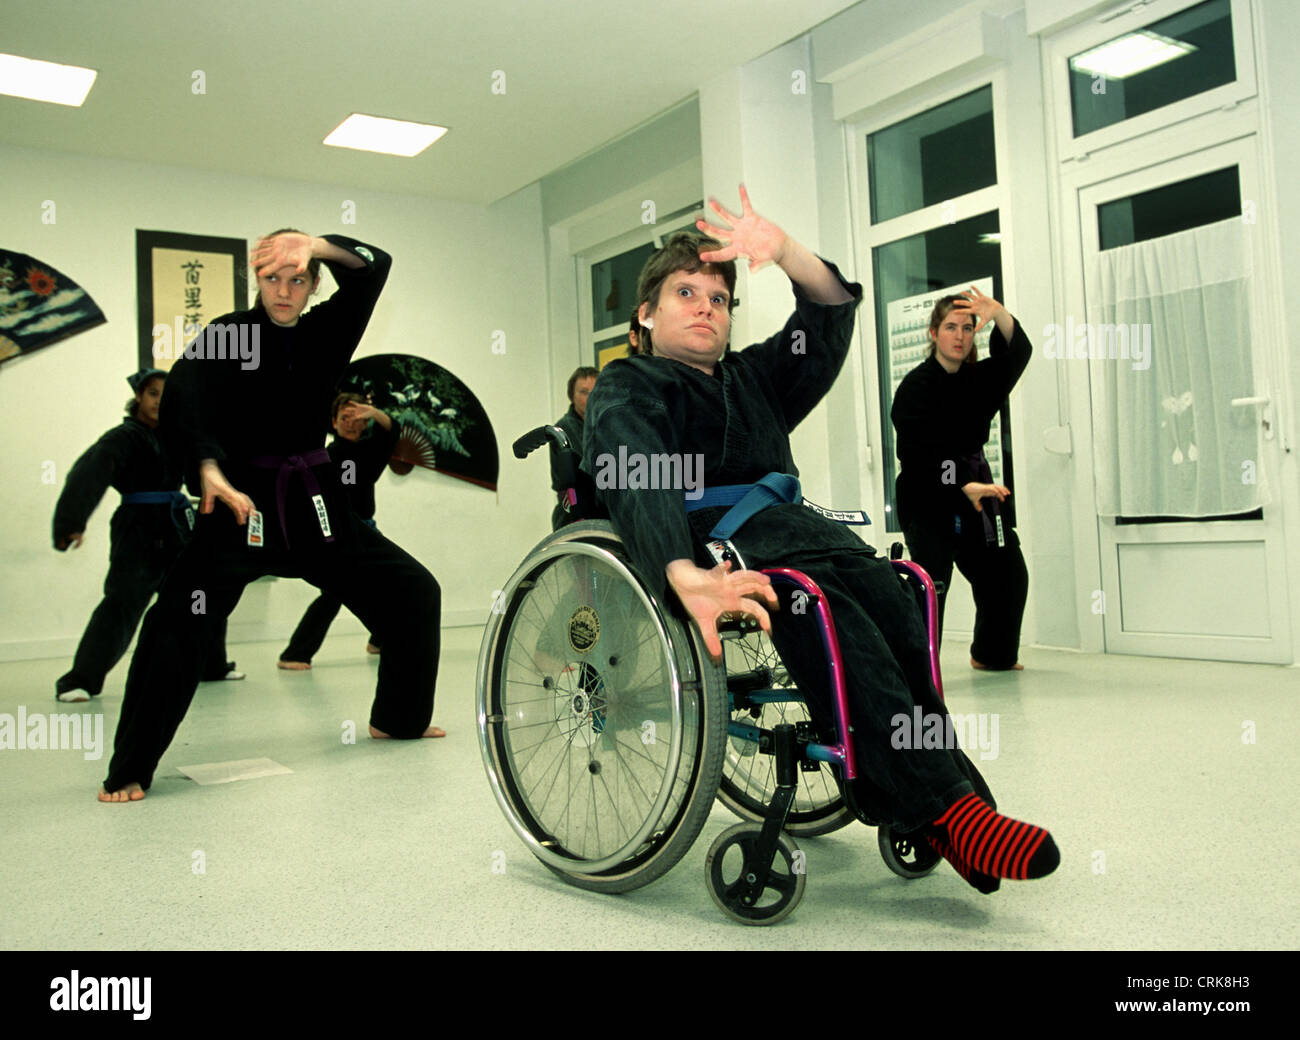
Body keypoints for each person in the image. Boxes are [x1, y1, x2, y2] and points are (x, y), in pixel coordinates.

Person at [582, 186, 1057, 891]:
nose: (705, 306)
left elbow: (829, 311)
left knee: (901, 599)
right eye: (685, 293)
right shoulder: (634, 383)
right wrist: (681, 571)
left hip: (799, 528)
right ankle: (952, 813)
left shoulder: (755, 378)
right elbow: (637, 472)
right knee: (827, 612)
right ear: (646, 314)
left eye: (719, 297)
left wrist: (785, 252)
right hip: (719, 541)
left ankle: (947, 804)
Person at [99, 230, 443, 804]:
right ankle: (130, 768)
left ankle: (398, 719)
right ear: (255, 281)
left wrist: (317, 244)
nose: (285, 291)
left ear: (313, 285)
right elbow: (186, 396)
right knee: (176, 623)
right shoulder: (229, 336)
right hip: (242, 506)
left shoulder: (327, 331)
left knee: (412, 590)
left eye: (298, 279)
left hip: (318, 509)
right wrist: (207, 468)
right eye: (272, 278)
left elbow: (374, 266)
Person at [52, 368, 242, 704]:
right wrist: (71, 522)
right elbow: (89, 473)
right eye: (153, 393)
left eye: (165, 395)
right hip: (137, 528)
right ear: (139, 397)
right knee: (122, 603)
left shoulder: (178, 436)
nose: (158, 401)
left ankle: (211, 665)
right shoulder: (123, 438)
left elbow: (211, 470)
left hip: (178, 524)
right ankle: (80, 680)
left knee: (201, 595)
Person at [890, 290, 1031, 671]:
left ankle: (992, 655)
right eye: (951, 327)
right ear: (934, 333)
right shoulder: (915, 388)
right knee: (932, 583)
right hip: (927, 494)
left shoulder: (977, 380)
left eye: (968, 328)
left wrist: (998, 311)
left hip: (976, 488)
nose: (960, 335)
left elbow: (1017, 355)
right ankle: (917, 673)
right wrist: (959, 486)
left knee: (1007, 573)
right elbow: (915, 456)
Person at [278, 392, 399, 669]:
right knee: (335, 594)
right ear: (333, 422)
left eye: (356, 418)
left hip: (367, 530)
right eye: (344, 417)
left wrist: (372, 411)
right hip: (338, 533)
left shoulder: (371, 451)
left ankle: (379, 641)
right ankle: (295, 654)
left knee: (386, 585)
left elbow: (391, 431)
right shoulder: (326, 456)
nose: (350, 422)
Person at [549, 366, 597, 530]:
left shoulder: (609, 425)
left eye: (595, 391)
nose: (590, 398)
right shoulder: (562, 430)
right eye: (583, 392)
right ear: (572, 396)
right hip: (576, 517)